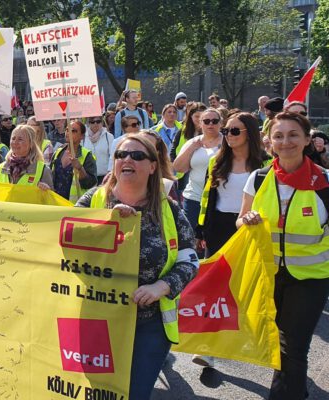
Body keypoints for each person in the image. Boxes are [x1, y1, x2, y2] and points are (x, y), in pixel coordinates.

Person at [77, 134, 198, 400]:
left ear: (152, 166)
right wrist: (106, 222)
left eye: (137, 155)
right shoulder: (92, 200)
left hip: (148, 324)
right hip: (98, 319)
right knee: (98, 393)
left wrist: (162, 286)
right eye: (121, 155)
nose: (127, 159)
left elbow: (190, 259)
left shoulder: (169, 209)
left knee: (135, 393)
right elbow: (65, 240)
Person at [238, 112, 329, 400]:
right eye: (278, 136)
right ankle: (295, 391)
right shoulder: (258, 178)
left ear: (307, 140)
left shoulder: (325, 181)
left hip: (311, 278)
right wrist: (247, 220)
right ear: (269, 142)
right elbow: (240, 220)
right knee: (278, 342)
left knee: (294, 346)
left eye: (293, 135)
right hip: (267, 275)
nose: (285, 141)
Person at [199, 112, 269, 257]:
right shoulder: (216, 161)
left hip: (251, 225)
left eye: (235, 131)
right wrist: (201, 229)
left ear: (249, 133)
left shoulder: (267, 163)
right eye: (225, 131)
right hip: (218, 226)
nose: (229, 135)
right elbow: (207, 199)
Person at [174, 108, 224, 239]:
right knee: (191, 237)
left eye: (214, 121)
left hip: (219, 199)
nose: (210, 124)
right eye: (206, 121)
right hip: (193, 198)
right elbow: (179, 168)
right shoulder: (193, 142)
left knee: (213, 239)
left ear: (221, 123)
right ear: (200, 124)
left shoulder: (227, 142)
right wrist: (192, 148)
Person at [51, 120, 98, 203]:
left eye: (73, 131)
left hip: (74, 204)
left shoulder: (87, 155)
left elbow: (91, 184)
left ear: (82, 136)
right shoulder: (58, 152)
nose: (68, 133)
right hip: (56, 203)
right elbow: (51, 177)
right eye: (67, 130)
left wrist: (80, 168)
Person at [0, 125, 53, 189]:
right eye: (13, 138)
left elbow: (50, 194)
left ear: (31, 144)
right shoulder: (2, 167)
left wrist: (46, 189)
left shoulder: (43, 170)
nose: (15, 142)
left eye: (20, 139)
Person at [170, 102, 207, 197]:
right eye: (197, 116)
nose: (199, 119)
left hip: (202, 170)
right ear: (190, 117)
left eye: (202, 117)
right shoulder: (182, 131)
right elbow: (173, 151)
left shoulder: (209, 133)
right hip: (183, 171)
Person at [83, 115, 113, 183]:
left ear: (102, 122)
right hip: (88, 176)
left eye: (98, 121)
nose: (95, 124)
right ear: (88, 123)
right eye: (92, 122)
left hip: (104, 176)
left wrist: (110, 172)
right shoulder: (83, 137)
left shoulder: (109, 137)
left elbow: (112, 156)